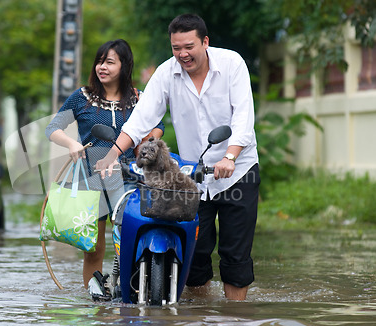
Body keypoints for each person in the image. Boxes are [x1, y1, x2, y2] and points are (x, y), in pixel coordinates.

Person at [96, 14, 260, 301]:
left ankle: (236, 321)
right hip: (192, 177)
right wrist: (112, 154)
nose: (182, 54)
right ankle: (198, 321)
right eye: (176, 48)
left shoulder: (232, 64)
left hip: (238, 170)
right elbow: (139, 120)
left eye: (189, 46)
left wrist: (230, 156)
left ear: (205, 42)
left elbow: (244, 117)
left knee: (235, 257)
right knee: (194, 255)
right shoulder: (166, 74)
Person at [45, 39, 164, 289]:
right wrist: (71, 144)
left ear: (125, 66)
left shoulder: (139, 99)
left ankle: (131, 295)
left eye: (109, 62)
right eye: (100, 61)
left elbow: (158, 127)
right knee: (94, 248)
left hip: (131, 180)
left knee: (130, 243)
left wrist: (146, 142)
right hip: (92, 180)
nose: (102, 67)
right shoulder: (82, 98)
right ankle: (94, 303)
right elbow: (53, 128)